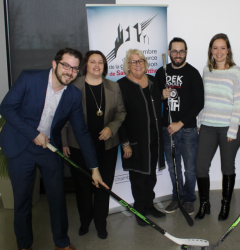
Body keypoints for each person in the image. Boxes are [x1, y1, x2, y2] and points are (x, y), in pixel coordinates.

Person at [0, 48, 107, 250]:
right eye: (66, 65)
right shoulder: (29, 78)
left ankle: (61, 243)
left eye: (75, 69)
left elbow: (82, 132)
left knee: (57, 198)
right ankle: (24, 245)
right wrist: (33, 134)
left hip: (48, 149)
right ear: (55, 64)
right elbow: (6, 107)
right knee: (22, 201)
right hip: (20, 146)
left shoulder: (74, 95)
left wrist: (94, 168)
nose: (70, 72)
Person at [61, 51, 126, 239]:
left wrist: (111, 128)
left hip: (107, 146)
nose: (96, 65)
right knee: (82, 187)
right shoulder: (73, 86)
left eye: (100, 62)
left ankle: (100, 222)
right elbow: (64, 116)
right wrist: (65, 141)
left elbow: (121, 113)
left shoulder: (114, 87)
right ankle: (85, 221)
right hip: (78, 146)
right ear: (85, 65)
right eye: (92, 62)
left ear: (105, 66)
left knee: (103, 186)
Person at [195, 33, 240, 221]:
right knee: (200, 167)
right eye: (215, 48)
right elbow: (203, 98)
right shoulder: (206, 70)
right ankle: (205, 203)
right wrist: (200, 121)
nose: (219, 51)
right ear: (210, 50)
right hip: (207, 126)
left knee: (227, 167)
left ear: (228, 50)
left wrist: (233, 128)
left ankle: (225, 204)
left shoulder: (236, 71)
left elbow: (239, 101)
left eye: (222, 48)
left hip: (228, 127)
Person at [155, 38, 204, 215]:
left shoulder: (193, 73)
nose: (178, 54)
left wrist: (180, 123)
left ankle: (189, 199)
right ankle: (177, 197)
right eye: (174, 51)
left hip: (188, 129)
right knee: (173, 167)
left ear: (186, 52)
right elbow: (154, 98)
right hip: (167, 129)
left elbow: (199, 103)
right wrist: (161, 95)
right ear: (169, 52)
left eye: (181, 51)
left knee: (189, 168)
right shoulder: (162, 72)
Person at [117, 49, 166, 227]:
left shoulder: (152, 81)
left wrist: (162, 96)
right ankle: (139, 210)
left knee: (151, 175)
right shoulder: (121, 85)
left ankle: (149, 205)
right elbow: (119, 117)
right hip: (135, 142)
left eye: (141, 61)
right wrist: (125, 143)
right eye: (134, 62)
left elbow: (153, 102)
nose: (138, 64)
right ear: (127, 66)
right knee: (137, 178)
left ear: (145, 63)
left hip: (154, 139)